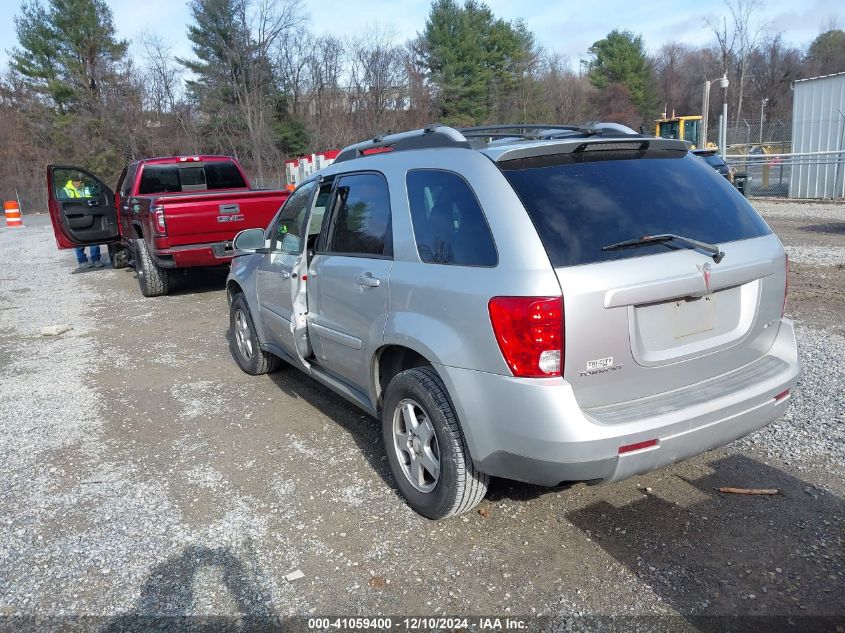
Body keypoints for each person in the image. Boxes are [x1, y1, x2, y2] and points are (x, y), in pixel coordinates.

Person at [62, 178, 103, 271]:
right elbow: (64, 206)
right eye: (80, 181)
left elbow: (93, 195)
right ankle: (82, 261)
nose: (82, 183)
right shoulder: (65, 191)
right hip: (76, 217)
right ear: (74, 181)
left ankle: (96, 260)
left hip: (88, 215)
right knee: (79, 239)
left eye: (82, 181)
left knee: (94, 237)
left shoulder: (85, 189)